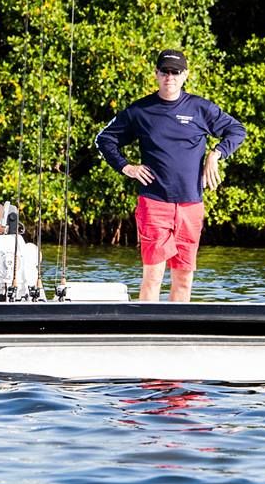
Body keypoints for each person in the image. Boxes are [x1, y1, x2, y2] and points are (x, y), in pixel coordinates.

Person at [95, 50, 246, 303]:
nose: (170, 77)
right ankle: (145, 334)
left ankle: (175, 333)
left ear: (185, 75)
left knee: (184, 280)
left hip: (191, 205)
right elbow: (105, 139)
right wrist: (126, 167)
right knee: (153, 277)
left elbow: (236, 130)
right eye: (164, 71)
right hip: (154, 203)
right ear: (156, 74)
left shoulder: (201, 108)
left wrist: (216, 154)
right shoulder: (140, 110)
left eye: (175, 72)